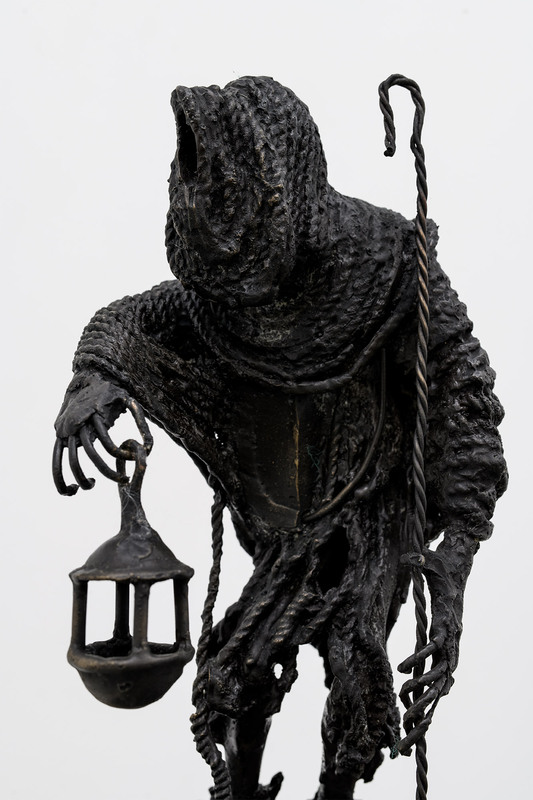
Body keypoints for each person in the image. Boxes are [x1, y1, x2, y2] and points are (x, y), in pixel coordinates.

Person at [53, 77, 507, 800]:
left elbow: (464, 397)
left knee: (356, 676)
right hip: (278, 528)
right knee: (236, 675)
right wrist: (94, 377)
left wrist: (455, 554)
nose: (248, 301)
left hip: (370, 516)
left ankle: (337, 785)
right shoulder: (212, 295)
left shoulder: (392, 264)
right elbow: (134, 318)